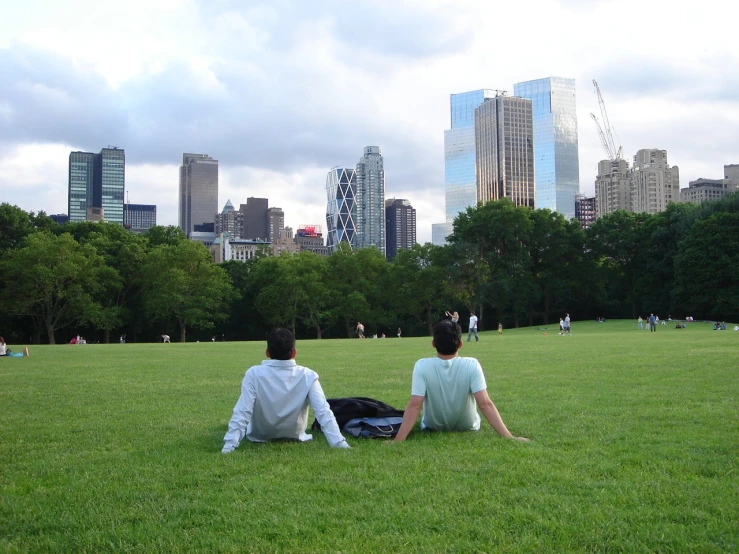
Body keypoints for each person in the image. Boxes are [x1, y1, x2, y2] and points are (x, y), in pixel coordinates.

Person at [394, 320, 528, 443]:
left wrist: (398, 440)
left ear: (433, 343)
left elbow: (415, 405)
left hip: (432, 426)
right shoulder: (472, 364)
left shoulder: (421, 365)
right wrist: (509, 437)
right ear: (460, 344)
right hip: (468, 425)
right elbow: (485, 404)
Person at [222, 328, 350, 453]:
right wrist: (338, 442)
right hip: (294, 434)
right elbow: (323, 411)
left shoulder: (253, 374)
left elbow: (243, 410)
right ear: (294, 352)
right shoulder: (307, 375)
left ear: (267, 352)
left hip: (260, 435)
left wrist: (229, 445)